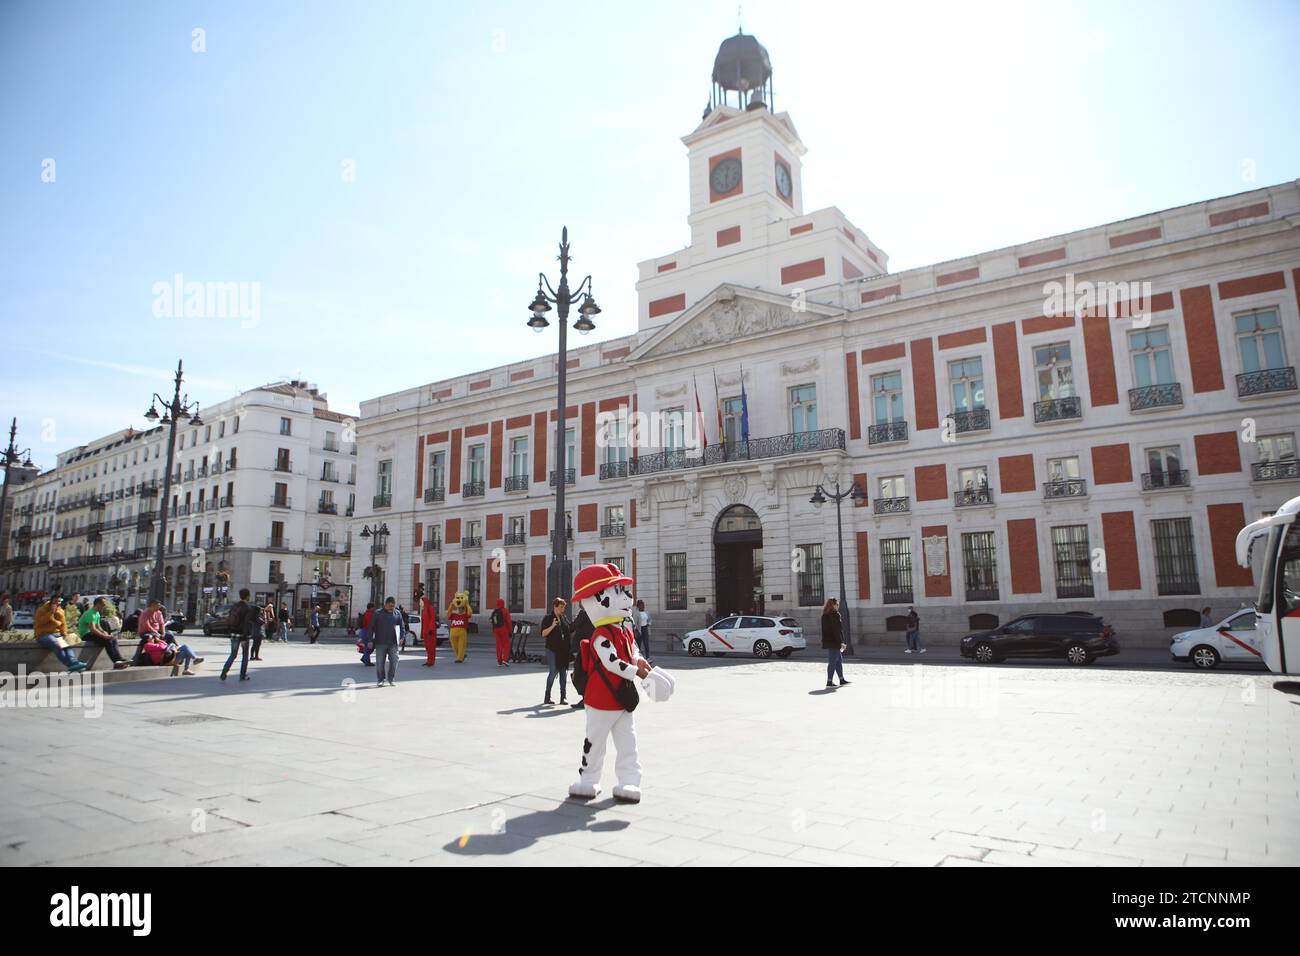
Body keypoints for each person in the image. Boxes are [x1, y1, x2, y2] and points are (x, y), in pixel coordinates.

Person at [567, 564, 652, 803]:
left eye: (623, 590)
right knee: (595, 742)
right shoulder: (601, 636)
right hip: (601, 699)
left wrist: (640, 661)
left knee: (628, 742)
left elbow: (632, 651)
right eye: (617, 591)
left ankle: (630, 781)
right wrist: (638, 672)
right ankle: (588, 780)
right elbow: (612, 662)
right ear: (595, 599)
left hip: (621, 698)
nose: (627, 597)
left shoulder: (623, 630)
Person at [33, 590, 87, 673]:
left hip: (57, 634)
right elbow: (41, 622)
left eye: (59, 601)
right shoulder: (42, 610)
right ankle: (71, 665)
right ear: (51, 601)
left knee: (67, 644)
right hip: (43, 634)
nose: (57, 603)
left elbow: (63, 625)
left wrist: (65, 634)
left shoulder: (60, 611)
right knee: (56, 644)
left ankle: (75, 663)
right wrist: (51, 612)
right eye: (55, 601)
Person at [79, 597, 129, 669]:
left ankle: (119, 659)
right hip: (86, 635)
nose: (104, 606)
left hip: (92, 633)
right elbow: (93, 629)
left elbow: (98, 627)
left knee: (113, 639)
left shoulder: (97, 614)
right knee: (107, 641)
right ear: (97, 604)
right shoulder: (90, 613)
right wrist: (104, 636)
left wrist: (105, 633)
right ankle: (116, 662)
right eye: (103, 604)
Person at [541, 597, 572, 705]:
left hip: (563, 651)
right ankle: (547, 696)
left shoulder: (563, 618)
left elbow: (570, 629)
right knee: (553, 671)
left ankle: (563, 697)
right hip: (552, 649)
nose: (562, 609)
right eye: (561, 607)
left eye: (564, 607)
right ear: (555, 606)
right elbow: (543, 633)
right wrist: (552, 626)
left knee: (563, 673)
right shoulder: (548, 618)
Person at [221, 588, 256, 682]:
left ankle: (225, 670)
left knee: (233, 654)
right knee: (245, 655)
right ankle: (242, 675)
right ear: (248, 596)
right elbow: (246, 623)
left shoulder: (234, 606)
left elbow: (229, 619)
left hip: (233, 633)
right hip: (243, 635)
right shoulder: (248, 608)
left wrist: (229, 631)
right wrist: (244, 637)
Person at [368, 596, 403, 686]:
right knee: (380, 662)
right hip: (380, 642)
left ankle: (391, 678)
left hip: (393, 643)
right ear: (386, 604)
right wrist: (370, 640)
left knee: (395, 660)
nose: (392, 608)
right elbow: (371, 627)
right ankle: (381, 679)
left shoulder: (397, 613)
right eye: (390, 606)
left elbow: (401, 627)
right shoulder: (378, 613)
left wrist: (402, 637)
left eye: (393, 606)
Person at [140, 633, 204, 675]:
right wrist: (159, 641)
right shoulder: (147, 645)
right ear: (148, 639)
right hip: (164, 660)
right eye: (152, 638)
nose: (153, 639)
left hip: (167, 658)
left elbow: (165, 646)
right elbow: (163, 647)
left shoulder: (152, 644)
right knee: (185, 647)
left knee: (186, 651)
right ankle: (195, 658)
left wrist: (159, 641)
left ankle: (186, 669)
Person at [569, 607, 592, 709]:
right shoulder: (594, 613)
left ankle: (585, 699)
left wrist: (564, 622)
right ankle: (586, 698)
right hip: (589, 646)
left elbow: (573, 626)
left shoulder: (583, 613)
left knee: (580, 673)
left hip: (581, 647)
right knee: (585, 673)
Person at [822, 597, 848, 688]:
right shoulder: (833, 615)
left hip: (831, 641)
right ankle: (829, 681)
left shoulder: (826, 615)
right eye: (837, 604)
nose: (838, 606)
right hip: (833, 642)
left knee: (838, 661)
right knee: (833, 661)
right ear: (833, 605)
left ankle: (841, 679)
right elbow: (836, 630)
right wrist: (841, 642)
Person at [490, 598, 512, 667]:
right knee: (506, 644)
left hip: (496, 629)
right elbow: (508, 621)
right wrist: (510, 630)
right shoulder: (505, 611)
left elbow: (492, 622)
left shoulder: (494, 611)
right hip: (503, 629)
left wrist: (493, 631)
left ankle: (499, 661)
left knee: (498, 645)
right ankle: (505, 659)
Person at [419, 594, 439, 667]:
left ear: (424, 602)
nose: (419, 603)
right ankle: (429, 660)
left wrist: (431, 629)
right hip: (425, 632)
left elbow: (432, 619)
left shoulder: (430, 608)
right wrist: (422, 633)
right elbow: (423, 623)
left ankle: (431, 661)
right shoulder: (423, 610)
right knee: (427, 647)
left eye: (421, 602)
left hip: (430, 632)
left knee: (431, 647)